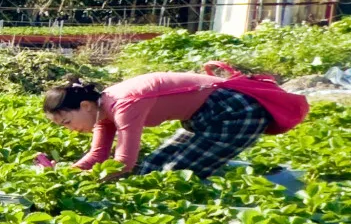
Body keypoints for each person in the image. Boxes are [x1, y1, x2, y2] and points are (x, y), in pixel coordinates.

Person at [43, 68, 306, 179]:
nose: (70, 128)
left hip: (236, 112)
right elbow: (98, 155)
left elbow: (124, 163)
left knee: (174, 174)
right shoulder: (103, 111)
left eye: (67, 121)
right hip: (204, 116)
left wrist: (93, 184)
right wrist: (66, 174)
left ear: (85, 106)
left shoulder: (123, 105)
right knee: (153, 166)